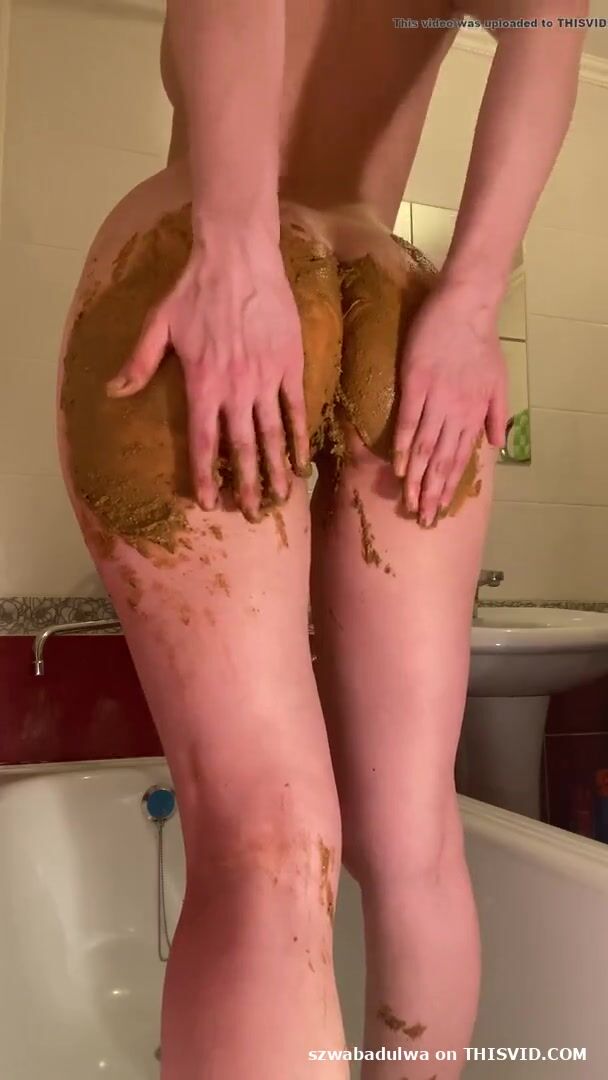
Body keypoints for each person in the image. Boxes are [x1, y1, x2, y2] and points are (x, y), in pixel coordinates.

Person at [55, 1, 587, 1076]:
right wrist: (471, 302)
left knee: (265, 843)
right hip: (400, 291)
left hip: (210, 243)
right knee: (415, 846)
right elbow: (550, 22)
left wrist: (234, 238)